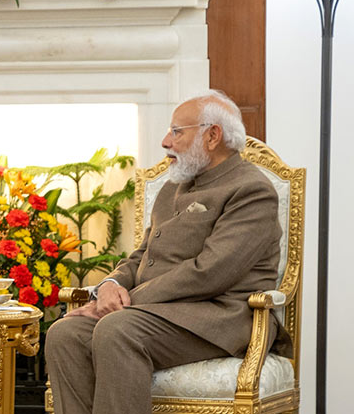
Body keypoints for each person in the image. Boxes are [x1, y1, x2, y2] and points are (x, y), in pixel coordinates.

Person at [45, 90, 288, 414]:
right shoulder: (173, 186)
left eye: (177, 131)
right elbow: (142, 254)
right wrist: (109, 288)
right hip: (156, 313)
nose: (165, 141)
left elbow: (210, 272)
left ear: (212, 135)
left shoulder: (252, 190)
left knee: (118, 330)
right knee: (66, 333)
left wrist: (125, 304)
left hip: (218, 316)